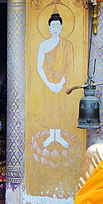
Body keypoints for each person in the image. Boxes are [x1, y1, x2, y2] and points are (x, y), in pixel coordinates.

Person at [37, 12, 74, 148]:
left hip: (61, 82)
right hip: (47, 82)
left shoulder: (67, 45)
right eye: (53, 25)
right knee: (49, 108)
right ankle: (51, 136)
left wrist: (60, 84)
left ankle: (57, 136)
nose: (55, 28)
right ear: (49, 27)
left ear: (62, 27)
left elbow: (69, 66)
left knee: (60, 108)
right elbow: (39, 67)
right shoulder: (44, 45)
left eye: (58, 25)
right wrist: (48, 84)